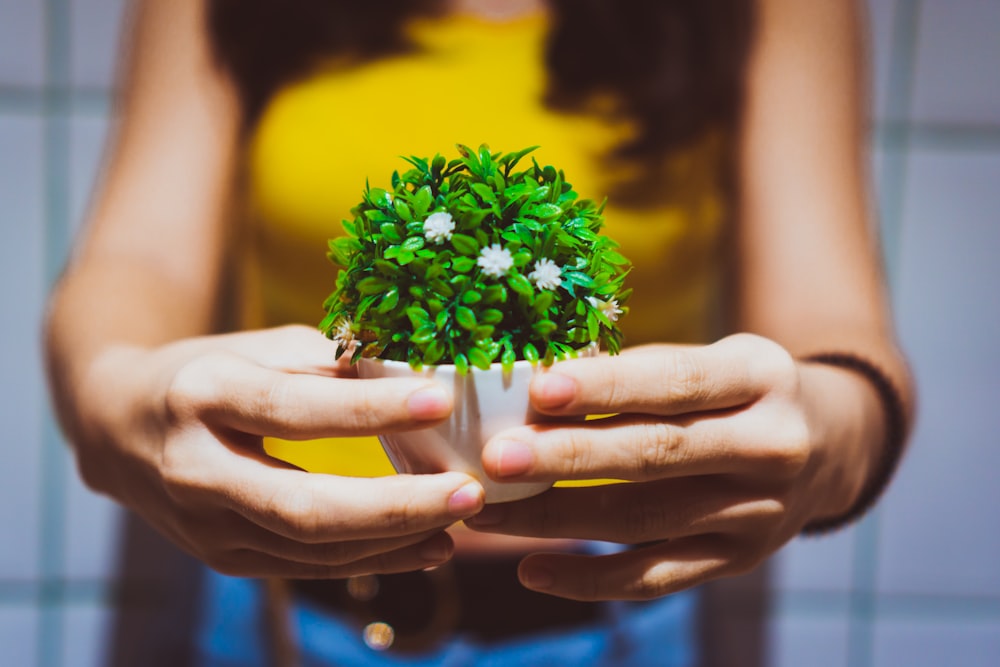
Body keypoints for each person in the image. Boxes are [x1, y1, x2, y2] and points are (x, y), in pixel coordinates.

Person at [44, 0, 915, 665]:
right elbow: (138, 262)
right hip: (279, 607)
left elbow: (836, 325)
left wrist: (840, 427)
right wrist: (110, 393)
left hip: (621, 617)